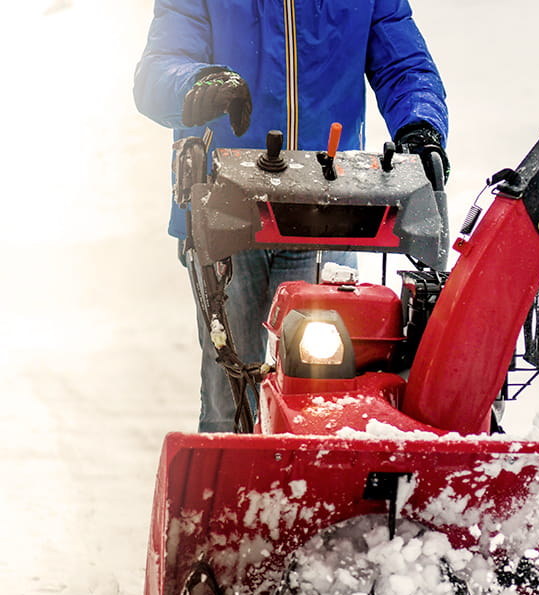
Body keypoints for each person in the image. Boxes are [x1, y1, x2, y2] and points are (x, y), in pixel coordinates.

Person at [133, 0, 449, 432]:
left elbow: (405, 68)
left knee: (326, 392)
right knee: (232, 395)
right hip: (226, 211)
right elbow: (158, 71)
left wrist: (420, 125)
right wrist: (198, 83)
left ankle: (313, 494)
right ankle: (230, 495)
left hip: (331, 212)